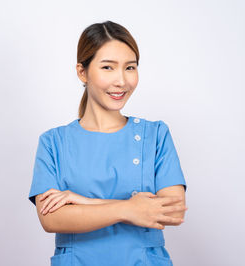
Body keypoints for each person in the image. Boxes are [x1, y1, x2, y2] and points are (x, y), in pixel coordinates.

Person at [28, 20, 188, 266]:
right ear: (82, 72)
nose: (122, 81)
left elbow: (173, 211)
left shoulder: (155, 135)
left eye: (130, 67)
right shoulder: (54, 142)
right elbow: (51, 219)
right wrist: (128, 209)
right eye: (107, 67)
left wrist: (84, 202)